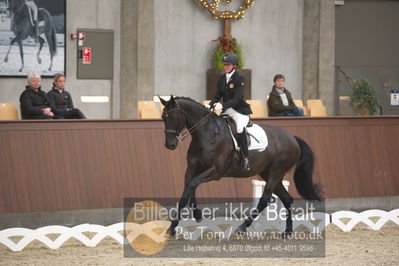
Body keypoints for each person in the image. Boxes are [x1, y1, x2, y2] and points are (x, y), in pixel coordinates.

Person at [208, 53, 252, 171]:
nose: (225, 67)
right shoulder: (222, 79)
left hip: (239, 111)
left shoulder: (239, 79)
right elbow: (217, 96)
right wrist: (210, 104)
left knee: (239, 129)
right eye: (224, 64)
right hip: (227, 110)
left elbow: (237, 99)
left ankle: (246, 159)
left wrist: (222, 105)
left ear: (234, 65)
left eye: (228, 65)